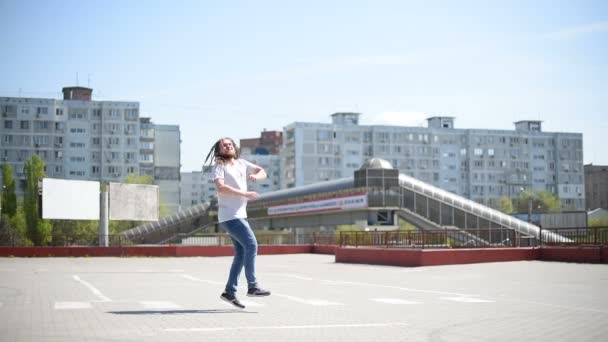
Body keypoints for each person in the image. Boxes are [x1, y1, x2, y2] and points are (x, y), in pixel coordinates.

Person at [204, 137, 271, 309]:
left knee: (241, 253)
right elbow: (221, 188)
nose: (228, 146)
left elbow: (262, 171)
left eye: (230, 144)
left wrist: (256, 176)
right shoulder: (219, 166)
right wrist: (245, 193)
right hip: (229, 215)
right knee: (252, 245)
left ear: (234, 147)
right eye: (224, 145)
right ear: (220, 151)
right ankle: (253, 286)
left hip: (239, 214)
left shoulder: (241, 163)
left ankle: (229, 292)